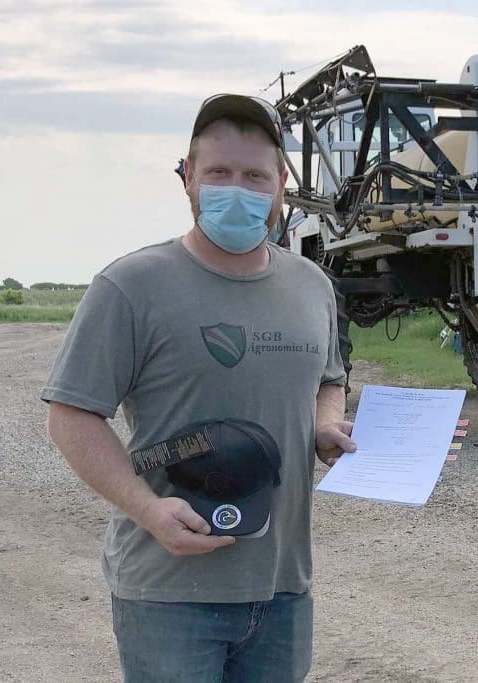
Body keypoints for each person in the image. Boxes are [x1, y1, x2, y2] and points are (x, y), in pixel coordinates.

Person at [42, 93, 356, 682]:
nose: (237, 189)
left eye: (254, 175)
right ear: (186, 177)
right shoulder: (131, 286)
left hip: (284, 586)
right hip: (168, 591)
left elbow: (328, 379)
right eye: (218, 173)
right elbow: (71, 415)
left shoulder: (311, 285)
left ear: (281, 185)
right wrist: (148, 508)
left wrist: (324, 422)